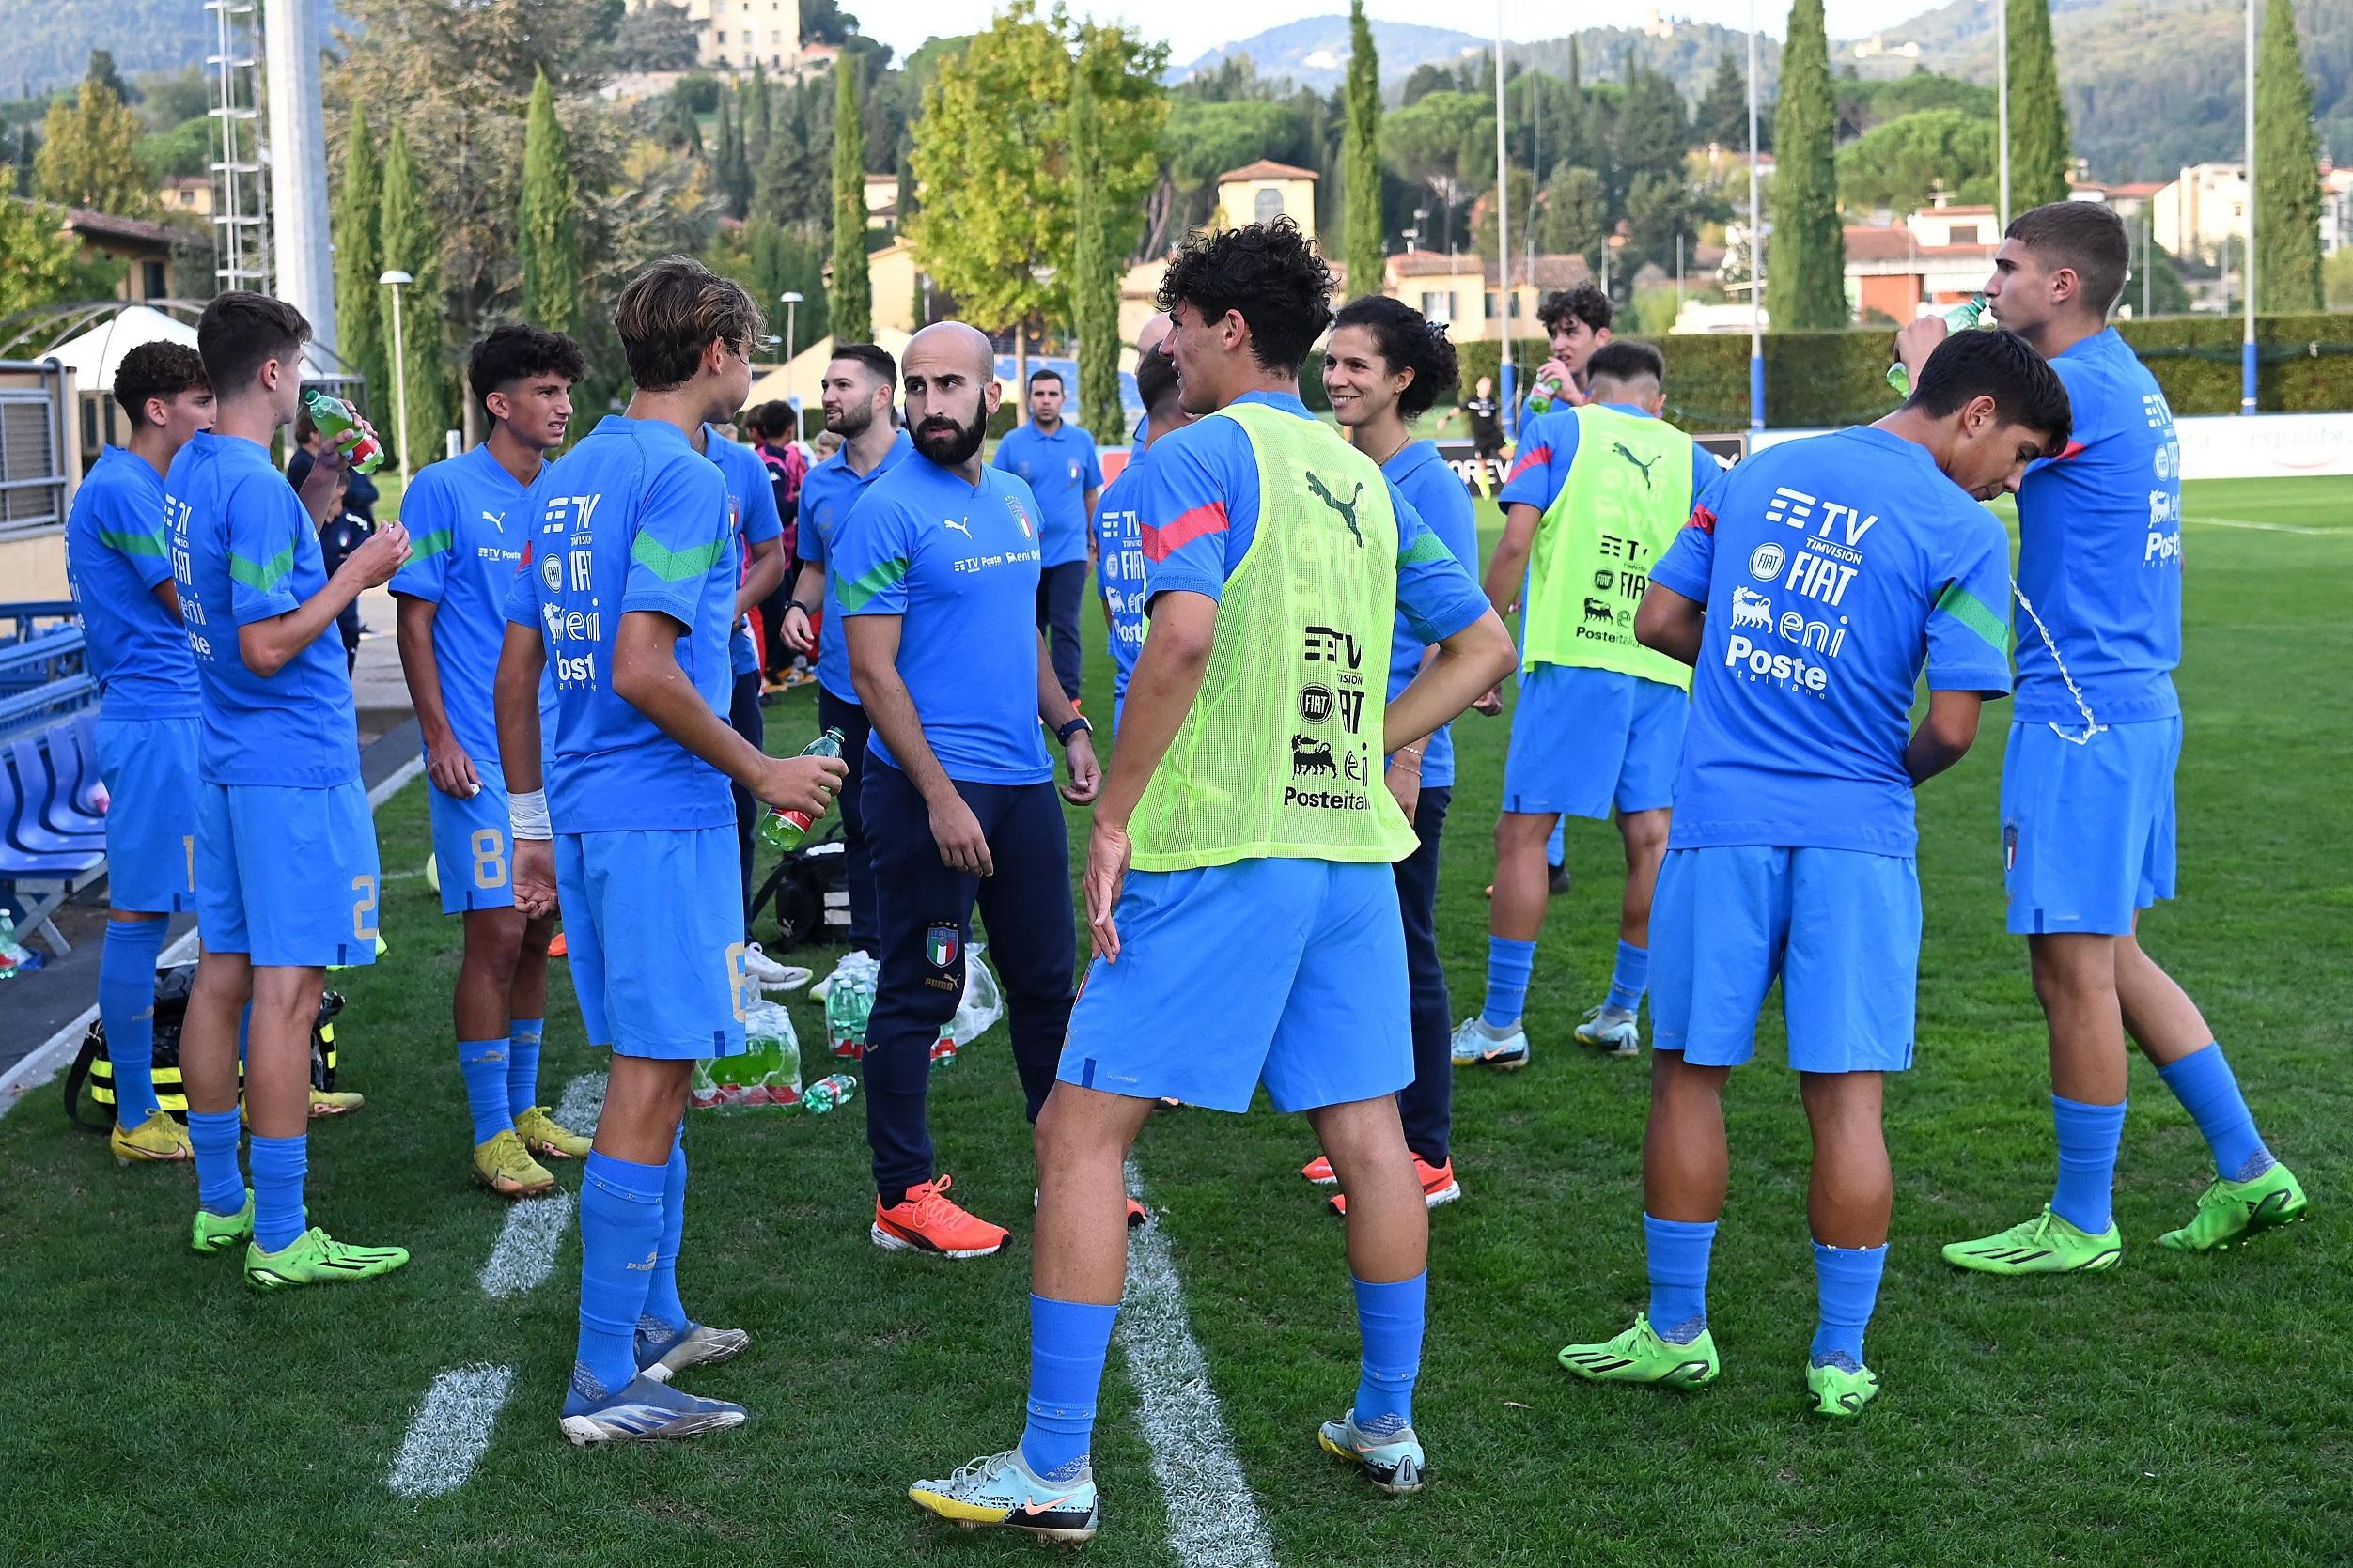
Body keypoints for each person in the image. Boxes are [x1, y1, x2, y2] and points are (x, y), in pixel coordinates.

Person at [908, 220, 1514, 1542]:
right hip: (1348, 850)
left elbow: (1179, 639)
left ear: (1229, 329)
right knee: (1372, 1142)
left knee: (1078, 1133)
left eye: (1174, 320)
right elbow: (1483, 646)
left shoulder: (1197, 453)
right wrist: (1371, 746)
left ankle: (1055, 1465)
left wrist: (1114, 816)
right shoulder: (1359, 475)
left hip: (1219, 843)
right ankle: (1387, 1420)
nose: (1161, 343)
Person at [1556, 328, 2068, 1419]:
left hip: (1722, 820)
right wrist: (1867, 756)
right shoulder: (1965, 532)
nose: (2011, 482)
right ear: (1973, 413)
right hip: (1859, 837)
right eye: (2017, 453)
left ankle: (1676, 1331)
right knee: (1846, 1105)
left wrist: (1761, 678)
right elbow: (1952, 728)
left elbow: (1659, 618)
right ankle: (1837, 1355)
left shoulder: (1755, 473)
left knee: (1688, 1075)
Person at [1905, 203, 2309, 1273]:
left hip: (2080, 712)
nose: (1989, 283)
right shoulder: (2121, 375)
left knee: (2069, 968)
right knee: (2111, 954)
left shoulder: (2073, 388)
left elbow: (1946, 457)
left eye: (2004, 267)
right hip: (2127, 702)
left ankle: (2081, 1220)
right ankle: (2246, 1164)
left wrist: (1924, 369)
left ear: (2060, 287)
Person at [493, 256, 846, 1443]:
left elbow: (530, 662)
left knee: (666, 1066)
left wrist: (535, 826)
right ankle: (603, 1379)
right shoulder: (690, 478)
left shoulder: (572, 469)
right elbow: (644, 666)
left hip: (598, 811)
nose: (748, 370)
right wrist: (765, 770)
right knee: (650, 1080)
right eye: (744, 349)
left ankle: (653, 1318)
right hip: (658, 814)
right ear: (713, 355)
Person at [833, 321, 1102, 1260]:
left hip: (1022, 788)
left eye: (948, 384)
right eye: (914, 386)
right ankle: (901, 1195)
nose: (928, 402)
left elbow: (1020, 631)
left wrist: (1067, 724)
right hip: (924, 792)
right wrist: (940, 795)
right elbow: (872, 674)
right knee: (920, 990)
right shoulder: (881, 508)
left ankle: (1064, 1168)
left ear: (990, 395)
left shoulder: (1019, 497)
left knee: (1043, 989)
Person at [166, 290, 413, 1288]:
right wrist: (356, 568)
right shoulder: (250, 487)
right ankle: (282, 1233)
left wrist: (317, 491)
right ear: (273, 373)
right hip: (287, 766)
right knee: (289, 994)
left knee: (223, 975)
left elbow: (240, 594)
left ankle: (223, 1207)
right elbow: (268, 642)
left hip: (230, 759)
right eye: (300, 368)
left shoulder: (196, 463)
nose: (304, 383)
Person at [1454, 342, 1723, 1070]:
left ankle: (1502, 1023)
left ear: (1592, 392)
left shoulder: (1562, 430)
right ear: (1657, 401)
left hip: (1576, 655)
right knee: (1651, 841)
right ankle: (1620, 1014)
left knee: (1524, 834)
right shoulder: (1694, 459)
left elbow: (1514, 543)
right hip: (1660, 665)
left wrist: (1481, 645)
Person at [391, 324, 592, 1201]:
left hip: (556, 757)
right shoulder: (441, 489)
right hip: (476, 754)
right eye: (545, 391)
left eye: (565, 391)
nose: (562, 406)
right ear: (498, 401)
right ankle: (487, 1130)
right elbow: (414, 618)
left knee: (540, 933)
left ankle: (523, 1109)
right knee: (498, 930)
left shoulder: (569, 493)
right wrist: (436, 733)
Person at [1313, 294, 1483, 1214]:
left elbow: (1449, 637)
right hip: (1339, 758)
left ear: (1400, 379)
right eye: (1329, 362)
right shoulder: (1345, 473)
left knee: (1403, 953)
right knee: (1351, 953)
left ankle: (1424, 1153)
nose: (1335, 378)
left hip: (1397, 765)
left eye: (1354, 365)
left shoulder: (1429, 487)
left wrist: (1405, 759)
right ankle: (1366, 1132)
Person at [65, 341, 216, 1165]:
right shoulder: (123, 485)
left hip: (178, 718)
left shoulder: (143, 484)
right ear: (158, 410)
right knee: (141, 916)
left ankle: (274, 1072)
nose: (214, 416)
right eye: (201, 402)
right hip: (156, 722)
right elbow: (188, 597)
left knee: (226, 903)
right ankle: (132, 1109)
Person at [778, 345, 912, 969]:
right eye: (826, 384)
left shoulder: (925, 465)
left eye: (841, 384)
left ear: (881, 396)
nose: (828, 395)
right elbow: (812, 567)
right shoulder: (821, 481)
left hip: (917, 678)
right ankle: (868, 951)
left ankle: (943, 945)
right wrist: (797, 609)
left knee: (928, 812)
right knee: (859, 816)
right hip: (841, 680)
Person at [687, 408, 793, 982]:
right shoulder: (640, 459)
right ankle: (689, 940)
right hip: (657, 670)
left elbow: (772, 558)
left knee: (739, 799)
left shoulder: (741, 466)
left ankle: (738, 941)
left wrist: (732, 606)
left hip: (733, 665)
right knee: (673, 804)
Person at [1089, 312, 1192, 733]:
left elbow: (1108, 603)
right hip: (1182, 717)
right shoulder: (1187, 489)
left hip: (1128, 704)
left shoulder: (1112, 496)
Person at [991, 366, 1101, 705]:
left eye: (1052, 394)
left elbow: (1089, 495)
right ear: (1030, 398)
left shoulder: (1082, 441)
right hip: (1027, 554)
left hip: (1070, 551)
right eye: (1039, 394)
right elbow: (997, 498)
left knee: (1066, 625)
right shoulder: (1012, 443)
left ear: (1063, 399)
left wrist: (1092, 543)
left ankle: (1069, 699)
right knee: (1029, 626)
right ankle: (1031, 696)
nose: (1046, 401)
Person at [747, 402, 808, 690]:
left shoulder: (775, 458)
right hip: (769, 557)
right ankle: (772, 670)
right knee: (774, 614)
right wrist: (802, 498)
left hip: (777, 554)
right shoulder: (771, 463)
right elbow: (778, 510)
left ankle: (779, 667)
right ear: (789, 429)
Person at [1516, 282, 1613, 434]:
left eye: (1571, 332)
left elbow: (1620, 451)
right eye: (1553, 335)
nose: (1558, 345)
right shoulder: (1537, 406)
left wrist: (1577, 402)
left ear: (1601, 337)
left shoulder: (1624, 399)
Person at [1461, 373, 1504, 499]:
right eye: (1485, 385)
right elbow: (1458, 409)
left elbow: (1497, 417)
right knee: (1482, 463)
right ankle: (1486, 492)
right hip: (1481, 438)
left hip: (1494, 435)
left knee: (1510, 455)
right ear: (1478, 386)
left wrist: (1503, 430)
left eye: (1489, 386)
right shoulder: (1472, 400)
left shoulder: (1491, 401)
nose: (1487, 388)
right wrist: (1445, 419)